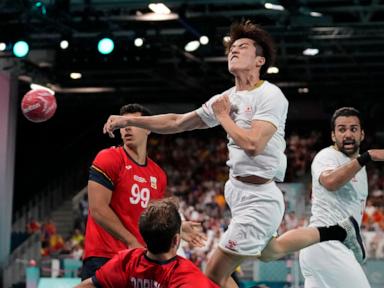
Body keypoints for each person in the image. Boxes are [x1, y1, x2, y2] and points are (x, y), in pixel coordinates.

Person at [103, 21, 364, 287]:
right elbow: (178, 122)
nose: (234, 51)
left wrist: (223, 118)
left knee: (211, 276)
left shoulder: (270, 95)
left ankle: (338, 231)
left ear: (259, 60)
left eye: (242, 47)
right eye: (231, 48)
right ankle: (337, 231)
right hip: (238, 192)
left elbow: (253, 145)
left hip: (259, 199)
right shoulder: (226, 98)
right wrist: (131, 122)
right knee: (270, 251)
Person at [82, 104, 205, 280]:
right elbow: (98, 209)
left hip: (137, 260)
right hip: (104, 256)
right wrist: (131, 241)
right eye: (123, 125)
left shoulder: (158, 175)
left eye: (133, 123)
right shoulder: (109, 158)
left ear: (148, 128)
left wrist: (177, 227)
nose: (127, 128)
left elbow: (152, 217)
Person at [299, 107, 384, 288]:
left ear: (362, 134)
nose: (347, 134)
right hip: (327, 245)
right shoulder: (327, 156)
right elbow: (330, 181)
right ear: (333, 135)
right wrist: (367, 157)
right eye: (341, 129)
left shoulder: (357, 166)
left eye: (353, 129)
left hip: (323, 249)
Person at [76, 198, 219, 288]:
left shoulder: (126, 262)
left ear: (144, 238)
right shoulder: (188, 276)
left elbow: (88, 285)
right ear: (176, 240)